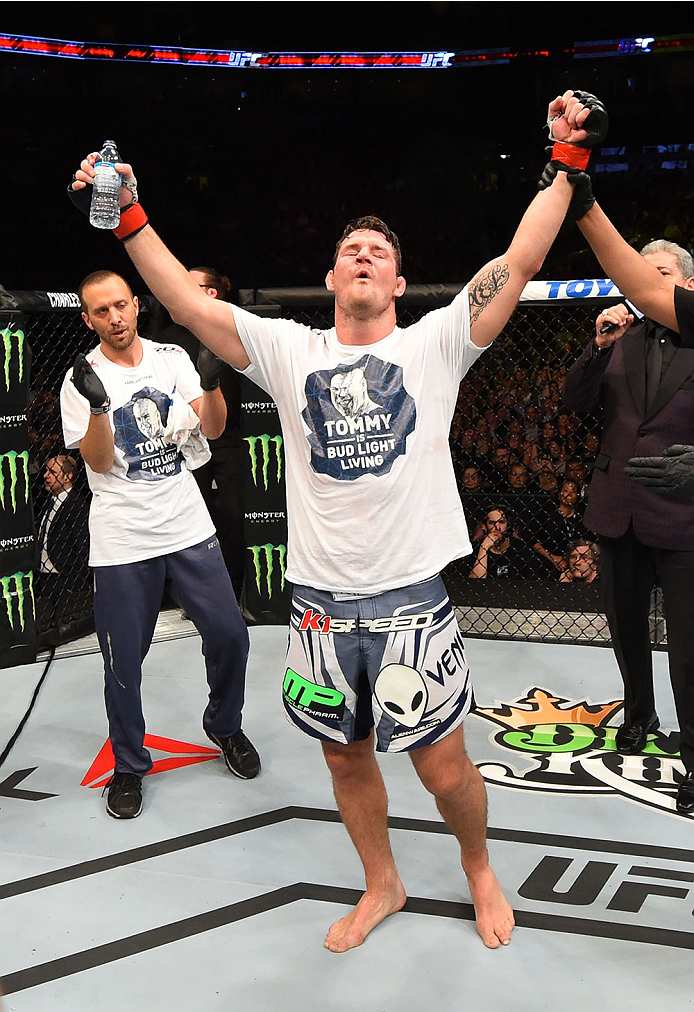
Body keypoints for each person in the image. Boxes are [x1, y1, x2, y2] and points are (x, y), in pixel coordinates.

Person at [70, 90, 600, 948]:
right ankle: (381, 884)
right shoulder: (292, 352)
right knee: (344, 757)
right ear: (330, 278)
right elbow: (191, 303)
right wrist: (128, 216)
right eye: (349, 247)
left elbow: (520, 258)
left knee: (443, 764)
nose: (362, 254)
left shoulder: (434, 343)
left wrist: (566, 163)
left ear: (396, 280)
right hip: (319, 606)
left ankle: (478, 869)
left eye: (378, 250)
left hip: (410, 602)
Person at [59, 270, 260, 821]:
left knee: (230, 635)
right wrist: (100, 408)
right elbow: (99, 463)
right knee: (124, 660)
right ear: (88, 318)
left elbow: (213, 432)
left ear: (135, 305)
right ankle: (128, 764)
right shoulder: (80, 378)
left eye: (120, 306)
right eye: (101, 312)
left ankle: (225, 725)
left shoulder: (171, 358)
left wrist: (213, 386)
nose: (115, 319)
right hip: (123, 539)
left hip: (187, 527)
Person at [561, 245, 694, 815]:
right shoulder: (621, 340)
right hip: (619, 511)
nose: (643, 282)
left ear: (686, 284)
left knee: (688, 648)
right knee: (626, 629)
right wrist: (596, 347)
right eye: (639, 272)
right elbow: (574, 403)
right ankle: (640, 713)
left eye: (658, 273)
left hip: (684, 514)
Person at [155, 266, 247, 598]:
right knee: (190, 515)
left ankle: (236, 589)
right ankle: (190, 593)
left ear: (211, 292)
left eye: (189, 284)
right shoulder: (168, 339)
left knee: (233, 512)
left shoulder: (237, 329)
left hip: (231, 439)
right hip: (185, 441)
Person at [35, 454, 91, 638]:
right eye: (46, 470)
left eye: (52, 472)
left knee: (64, 628)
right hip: (44, 579)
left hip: (64, 579)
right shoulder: (49, 503)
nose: (45, 475)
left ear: (68, 477)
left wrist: (73, 576)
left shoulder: (76, 506)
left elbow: (82, 546)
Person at [469, 507, 534, 579]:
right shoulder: (475, 550)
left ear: (508, 525)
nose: (497, 527)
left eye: (502, 522)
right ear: (486, 526)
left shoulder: (522, 548)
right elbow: (476, 584)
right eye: (492, 523)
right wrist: (484, 548)